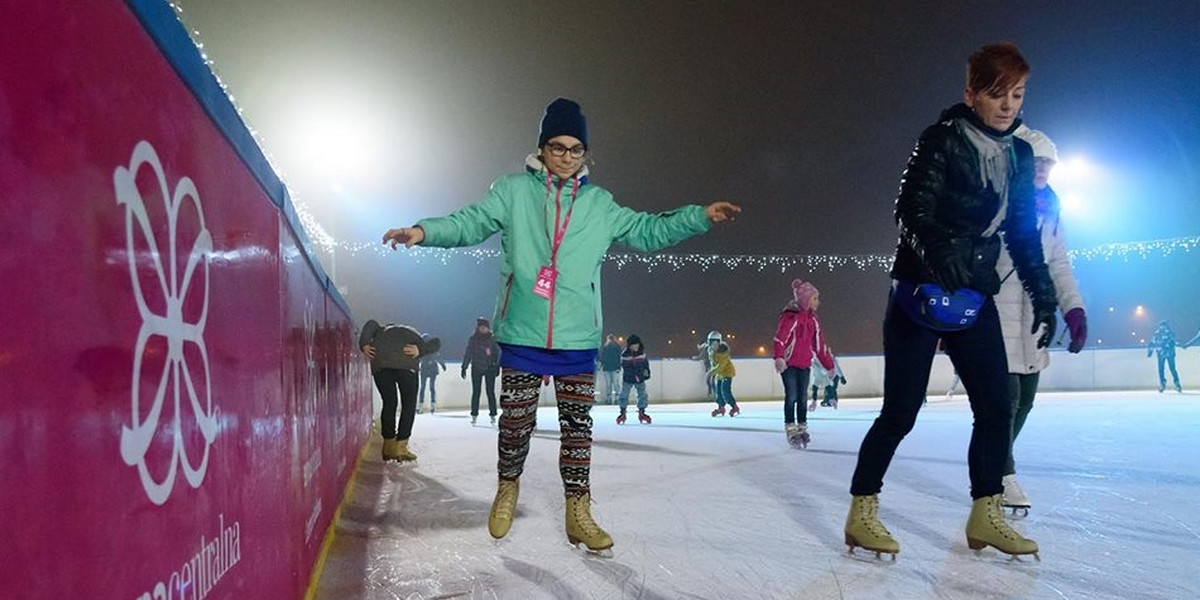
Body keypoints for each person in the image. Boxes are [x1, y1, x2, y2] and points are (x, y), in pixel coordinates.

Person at [381, 97, 740, 555]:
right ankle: (507, 488)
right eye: (558, 147)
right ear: (542, 147)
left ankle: (578, 510)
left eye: (576, 149)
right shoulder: (511, 192)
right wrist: (423, 231)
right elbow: (469, 223)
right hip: (522, 333)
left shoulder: (599, 204)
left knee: (577, 430)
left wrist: (699, 217)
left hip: (575, 338)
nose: (567, 157)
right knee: (515, 424)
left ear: (585, 153)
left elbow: (649, 231)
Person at [845, 43, 1057, 560]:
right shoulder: (940, 140)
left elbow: (1023, 235)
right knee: (900, 412)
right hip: (920, 292)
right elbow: (910, 210)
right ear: (971, 94)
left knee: (996, 407)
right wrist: (941, 258)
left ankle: (986, 513)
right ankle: (861, 511)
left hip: (974, 293)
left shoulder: (1020, 154)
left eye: (1017, 94)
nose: (1008, 105)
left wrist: (1044, 295)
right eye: (996, 94)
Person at [995, 126, 1088, 514]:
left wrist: (1074, 309)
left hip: (1034, 316)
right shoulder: (999, 202)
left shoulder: (1053, 210)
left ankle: (992, 460)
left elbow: (1059, 266)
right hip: (996, 313)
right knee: (1006, 401)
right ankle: (1002, 473)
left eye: (1049, 165)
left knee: (1027, 400)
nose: (1043, 170)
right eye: (1037, 163)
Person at [359, 320, 441, 462]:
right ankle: (401, 447)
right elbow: (436, 342)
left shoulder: (381, 330)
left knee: (389, 402)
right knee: (409, 405)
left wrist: (364, 344)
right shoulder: (411, 332)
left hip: (381, 364)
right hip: (406, 364)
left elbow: (371, 323)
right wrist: (421, 350)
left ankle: (388, 447)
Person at [773, 278, 835, 448]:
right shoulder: (790, 317)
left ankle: (802, 427)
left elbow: (819, 345)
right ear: (806, 300)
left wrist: (829, 364)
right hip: (788, 364)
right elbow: (779, 339)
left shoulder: (813, 320)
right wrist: (779, 357)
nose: (818, 302)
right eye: (815, 298)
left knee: (802, 397)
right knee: (792, 395)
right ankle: (790, 428)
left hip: (804, 364)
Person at [462, 317, 501, 425]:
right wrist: (464, 367)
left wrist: (496, 366)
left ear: (488, 328)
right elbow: (468, 353)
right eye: (481, 327)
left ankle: (493, 414)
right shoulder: (473, 339)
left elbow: (497, 353)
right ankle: (474, 414)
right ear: (478, 328)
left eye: (485, 327)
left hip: (490, 368)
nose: (483, 329)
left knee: (490, 392)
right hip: (476, 368)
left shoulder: (492, 339)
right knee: (476, 392)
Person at [616, 334, 652, 424]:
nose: (636, 346)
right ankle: (622, 412)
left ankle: (642, 412)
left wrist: (647, 372)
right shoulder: (625, 355)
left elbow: (645, 364)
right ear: (630, 345)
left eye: (637, 344)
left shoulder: (642, 353)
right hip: (628, 379)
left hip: (640, 378)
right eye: (634, 345)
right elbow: (626, 368)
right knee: (624, 395)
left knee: (642, 394)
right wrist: (634, 375)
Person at [1147, 320, 1182, 393]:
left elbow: (1152, 343)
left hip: (1162, 354)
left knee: (1161, 369)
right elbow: (1175, 341)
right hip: (1168, 354)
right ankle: (1176, 383)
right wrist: (1182, 345)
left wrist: (1150, 352)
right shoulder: (1169, 333)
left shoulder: (1157, 333)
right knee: (1171, 369)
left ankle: (1163, 383)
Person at [417, 332, 447, 414]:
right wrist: (443, 365)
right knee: (429, 388)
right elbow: (438, 357)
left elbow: (437, 357)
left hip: (429, 369)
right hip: (428, 369)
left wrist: (442, 365)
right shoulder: (427, 349)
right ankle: (429, 406)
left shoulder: (427, 349)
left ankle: (424, 406)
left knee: (426, 388)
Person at [709, 340, 740, 417]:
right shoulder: (711, 351)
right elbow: (713, 363)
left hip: (727, 373)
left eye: (715, 344)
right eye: (712, 344)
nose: (714, 346)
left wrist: (711, 373)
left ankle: (734, 407)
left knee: (725, 391)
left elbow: (720, 367)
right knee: (718, 392)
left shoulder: (723, 353)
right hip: (720, 374)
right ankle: (721, 407)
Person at [695, 330, 722, 399]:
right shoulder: (707, 348)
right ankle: (712, 393)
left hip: (714, 367)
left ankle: (713, 393)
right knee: (709, 380)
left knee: (711, 380)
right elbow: (701, 355)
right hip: (709, 366)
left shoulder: (719, 349)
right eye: (712, 341)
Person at [598, 334, 623, 404]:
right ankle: (615, 398)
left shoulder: (612, 347)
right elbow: (603, 357)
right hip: (610, 368)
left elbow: (603, 357)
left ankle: (611, 398)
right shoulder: (608, 347)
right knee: (614, 384)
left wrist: (601, 364)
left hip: (610, 368)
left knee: (611, 384)